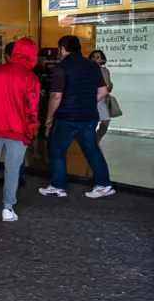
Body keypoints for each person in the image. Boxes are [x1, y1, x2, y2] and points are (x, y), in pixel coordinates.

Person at [0, 37, 40, 221]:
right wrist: (29, 133)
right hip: (17, 130)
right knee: (12, 169)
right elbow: (32, 111)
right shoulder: (31, 78)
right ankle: (8, 208)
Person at [40, 35, 114, 198]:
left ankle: (58, 187)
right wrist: (86, 101)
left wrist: (49, 117)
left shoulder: (62, 67)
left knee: (56, 150)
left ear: (62, 49)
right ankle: (104, 185)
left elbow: (56, 96)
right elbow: (103, 91)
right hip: (89, 116)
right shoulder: (93, 66)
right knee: (92, 150)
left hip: (66, 117)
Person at [89, 50, 114, 144]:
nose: (95, 58)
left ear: (102, 59)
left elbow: (109, 83)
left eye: (98, 56)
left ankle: (96, 140)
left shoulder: (105, 70)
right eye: (94, 56)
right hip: (92, 98)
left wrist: (110, 86)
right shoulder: (87, 70)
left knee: (105, 122)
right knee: (92, 121)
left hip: (102, 99)